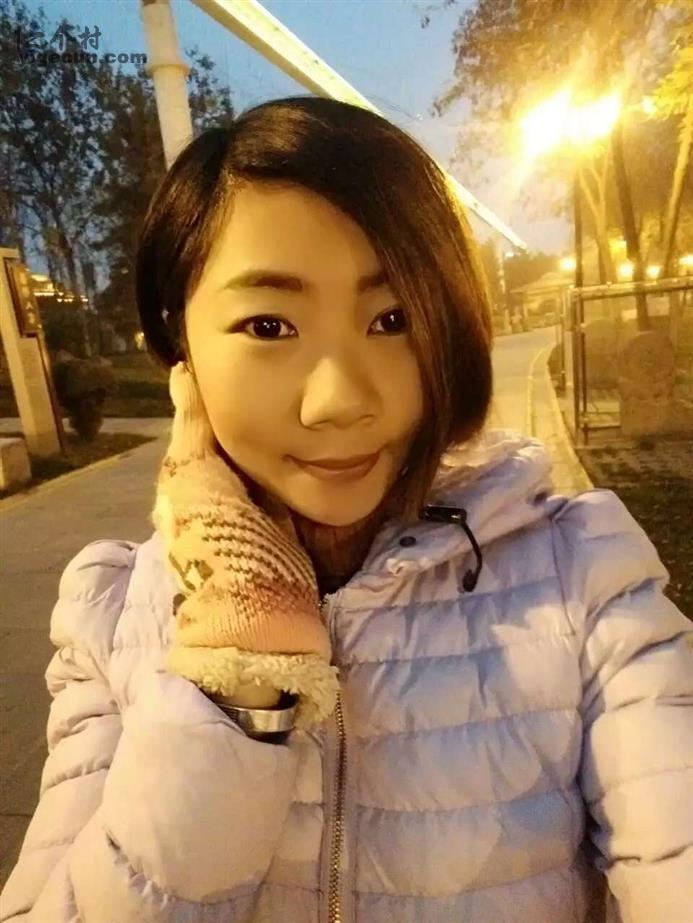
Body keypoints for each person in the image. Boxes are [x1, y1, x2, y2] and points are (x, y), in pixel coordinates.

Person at [1, 96, 691, 923]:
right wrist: (238, 677)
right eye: (268, 324)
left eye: (391, 319)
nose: (339, 399)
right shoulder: (111, 616)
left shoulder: (584, 580)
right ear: (179, 344)